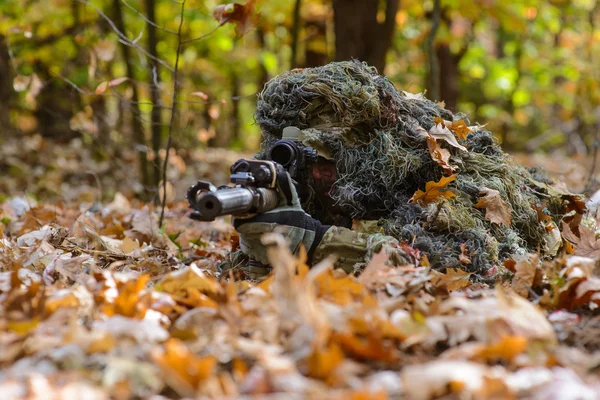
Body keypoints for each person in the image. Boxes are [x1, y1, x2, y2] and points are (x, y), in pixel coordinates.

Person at [225, 61, 575, 280]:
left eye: (326, 160)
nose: (313, 175)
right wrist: (261, 243)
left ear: (364, 150)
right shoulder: (307, 182)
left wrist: (317, 242)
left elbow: (458, 262)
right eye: (300, 161)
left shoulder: (432, 169)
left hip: (542, 203)